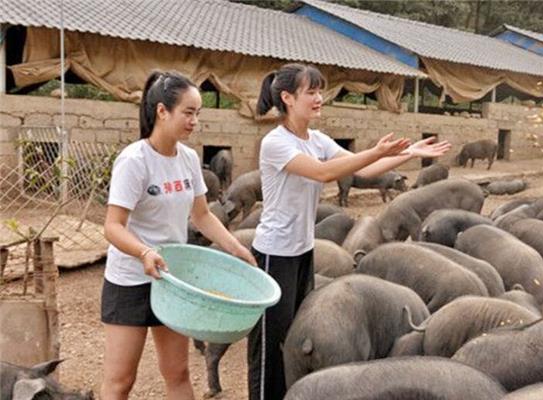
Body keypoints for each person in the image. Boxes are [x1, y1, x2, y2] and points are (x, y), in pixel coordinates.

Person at [248, 63, 451, 399]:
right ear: (287, 97)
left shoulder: (317, 139)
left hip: (301, 251)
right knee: (269, 345)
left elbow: (366, 168)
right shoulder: (275, 143)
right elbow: (322, 173)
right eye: (310, 92)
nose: (318, 98)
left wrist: (408, 154)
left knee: (294, 338)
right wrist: (375, 150)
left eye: (319, 91)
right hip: (273, 254)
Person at [101, 71, 257, 400]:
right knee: (121, 380)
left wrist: (235, 246)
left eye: (198, 113)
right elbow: (113, 226)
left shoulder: (187, 159)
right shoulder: (134, 161)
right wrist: (144, 253)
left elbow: (201, 215)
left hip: (172, 281)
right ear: (162, 111)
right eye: (188, 112)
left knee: (178, 372)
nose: (194, 121)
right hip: (130, 280)